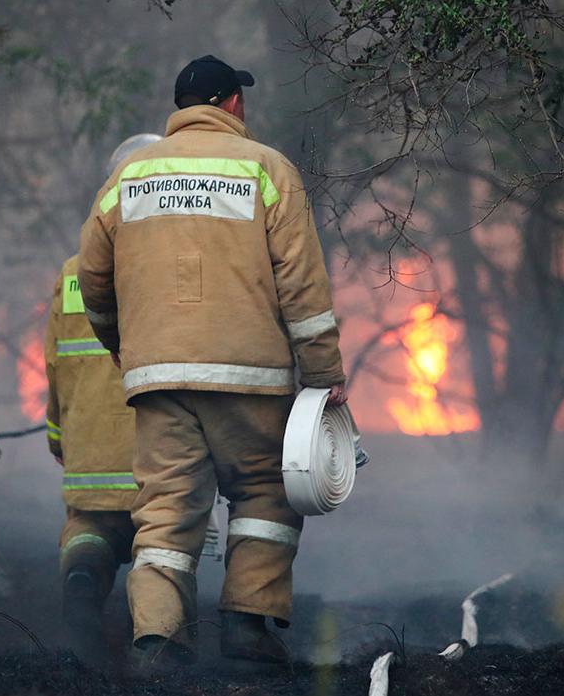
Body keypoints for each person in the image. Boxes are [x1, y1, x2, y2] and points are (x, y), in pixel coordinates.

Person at [77, 55, 348, 667]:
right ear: (232, 104)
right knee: (264, 492)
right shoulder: (268, 170)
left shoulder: (127, 178)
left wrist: (126, 349)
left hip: (159, 380)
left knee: (167, 509)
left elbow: (93, 280)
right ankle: (249, 625)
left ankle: (157, 638)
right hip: (251, 379)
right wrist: (325, 376)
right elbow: (303, 287)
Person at [44, 134, 161, 656]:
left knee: (88, 531)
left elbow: (54, 366)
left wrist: (59, 438)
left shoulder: (72, 272)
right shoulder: (165, 270)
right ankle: (159, 639)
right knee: (162, 541)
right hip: (155, 451)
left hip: (88, 454)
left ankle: (82, 587)